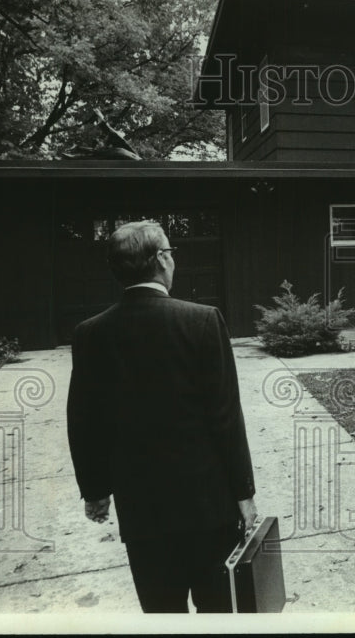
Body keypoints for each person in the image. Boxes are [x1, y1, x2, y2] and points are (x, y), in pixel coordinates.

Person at [66, 220, 257, 613]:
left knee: (161, 611)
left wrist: (96, 491)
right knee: (218, 610)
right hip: (207, 505)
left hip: (142, 511)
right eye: (170, 251)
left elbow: (84, 421)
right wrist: (244, 493)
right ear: (162, 261)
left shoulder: (90, 334)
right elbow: (225, 416)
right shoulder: (202, 320)